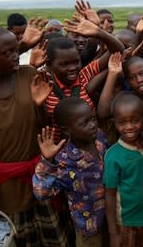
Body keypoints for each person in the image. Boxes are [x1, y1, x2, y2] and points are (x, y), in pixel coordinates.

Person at [0, 26, 72, 245]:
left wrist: (40, 107)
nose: (16, 55)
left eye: (16, 49)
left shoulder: (28, 74)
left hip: (42, 174)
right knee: (20, 236)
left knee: (54, 235)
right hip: (7, 182)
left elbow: (43, 126)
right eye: (8, 52)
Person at [33, 97, 109, 247]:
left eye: (93, 119)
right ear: (67, 130)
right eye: (85, 123)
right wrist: (47, 161)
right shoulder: (65, 161)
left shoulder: (100, 137)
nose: (93, 125)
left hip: (112, 218)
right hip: (89, 229)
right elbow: (41, 193)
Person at [104, 93, 143, 247]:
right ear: (114, 123)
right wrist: (113, 233)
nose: (129, 127)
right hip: (127, 223)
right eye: (122, 122)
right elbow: (110, 195)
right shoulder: (113, 156)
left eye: (135, 120)